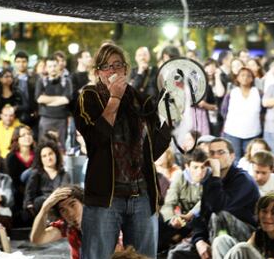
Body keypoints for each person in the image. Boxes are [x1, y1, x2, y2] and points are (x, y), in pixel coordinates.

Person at [74, 43, 171, 259]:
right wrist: (114, 99)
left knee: (143, 257)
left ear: (126, 69)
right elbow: (96, 139)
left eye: (118, 65)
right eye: (107, 66)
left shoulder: (140, 99)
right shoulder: (88, 97)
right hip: (105, 197)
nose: (113, 71)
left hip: (142, 195)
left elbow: (152, 150)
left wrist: (170, 119)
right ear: (98, 72)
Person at [168, 138, 260, 259]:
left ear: (232, 156)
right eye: (212, 153)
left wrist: (215, 174)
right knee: (176, 254)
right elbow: (203, 215)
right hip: (214, 234)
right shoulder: (210, 181)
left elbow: (219, 207)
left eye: (221, 152)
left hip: (244, 238)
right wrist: (199, 240)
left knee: (219, 215)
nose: (215, 157)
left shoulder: (243, 180)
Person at [159, 148, 209, 251]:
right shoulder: (180, 177)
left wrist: (189, 215)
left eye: (203, 167)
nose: (200, 171)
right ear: (187, 166)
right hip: (183, 220)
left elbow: (206, 200)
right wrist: (172, 219)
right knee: (160, 220)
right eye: (195, 167)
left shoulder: (211, 177)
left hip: (203, 219)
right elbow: (169, 203)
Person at [212, 193, 274, 259]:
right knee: (221, 241)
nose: (267, 216)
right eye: (264, 211)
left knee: (242, 248)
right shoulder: (259, 233)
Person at [30, 186, 83, 259]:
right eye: (63, 210)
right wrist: (45, 208)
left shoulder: (100, 223)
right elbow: (38, 239)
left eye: (73, 205)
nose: (70, 213)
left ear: (83, 204)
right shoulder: (67, 226)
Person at [221, 67, 262, 160]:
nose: (245, 78)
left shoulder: (258, 93)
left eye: (248, 76)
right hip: (232, 132)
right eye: (242, 75)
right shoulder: (232, 93)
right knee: (234, 160)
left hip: (253, 132)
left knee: (251, 159)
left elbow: (263, 111)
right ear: (237, 78)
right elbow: (223, 110)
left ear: (252, 79)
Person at [24, 140, 71, 215]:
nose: (48, 158)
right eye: (44, 156)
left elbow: (63, 193)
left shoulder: (64, 174)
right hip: (39, 209)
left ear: (56, 154)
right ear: (40, 159)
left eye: (50, 154)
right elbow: (29, 197)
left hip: (59, 208)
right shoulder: (36, 174)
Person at [35, 56, 73, 149]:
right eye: (50, 66)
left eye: (54, 66)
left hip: (61, 119)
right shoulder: (41, 81)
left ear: (59, 66)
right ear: (46, 68)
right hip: (46, 118)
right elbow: (39, 99)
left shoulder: (66, 81)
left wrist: (47, 100)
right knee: (44, 146)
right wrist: (59, 99)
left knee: (61, 147)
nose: (52, 68)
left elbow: (66, 100)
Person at [6, 125, 35, 227]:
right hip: (18, 193)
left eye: (29, 134)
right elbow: (13, 181)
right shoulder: (11, 157)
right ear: (16, 139)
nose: (27, 137)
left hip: (35, 192)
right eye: (23, 135)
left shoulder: (38, 154)